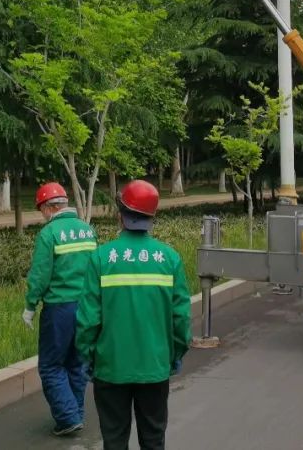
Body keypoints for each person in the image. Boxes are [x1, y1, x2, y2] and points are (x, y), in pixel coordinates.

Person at [76, 180, 191, 450]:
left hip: (110, 367)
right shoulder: (169, 259)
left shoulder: (102, 258)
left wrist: (88, 356)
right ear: (153, 216)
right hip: (154, 367)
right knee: (153, 438)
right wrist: (174, 354)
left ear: (120, 215)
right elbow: (181, 319)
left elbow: (87, 320)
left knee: (114, 439)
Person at [23, 181, 97, 437]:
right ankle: (75, 413)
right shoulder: (87, 230)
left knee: (51, 366)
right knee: (77, 363)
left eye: (41, 209)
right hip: (85, 306)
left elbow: (41, 275)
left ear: (47, 207)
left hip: (59, 309)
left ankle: (67, 418)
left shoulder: (49, 233)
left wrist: (30, 305)